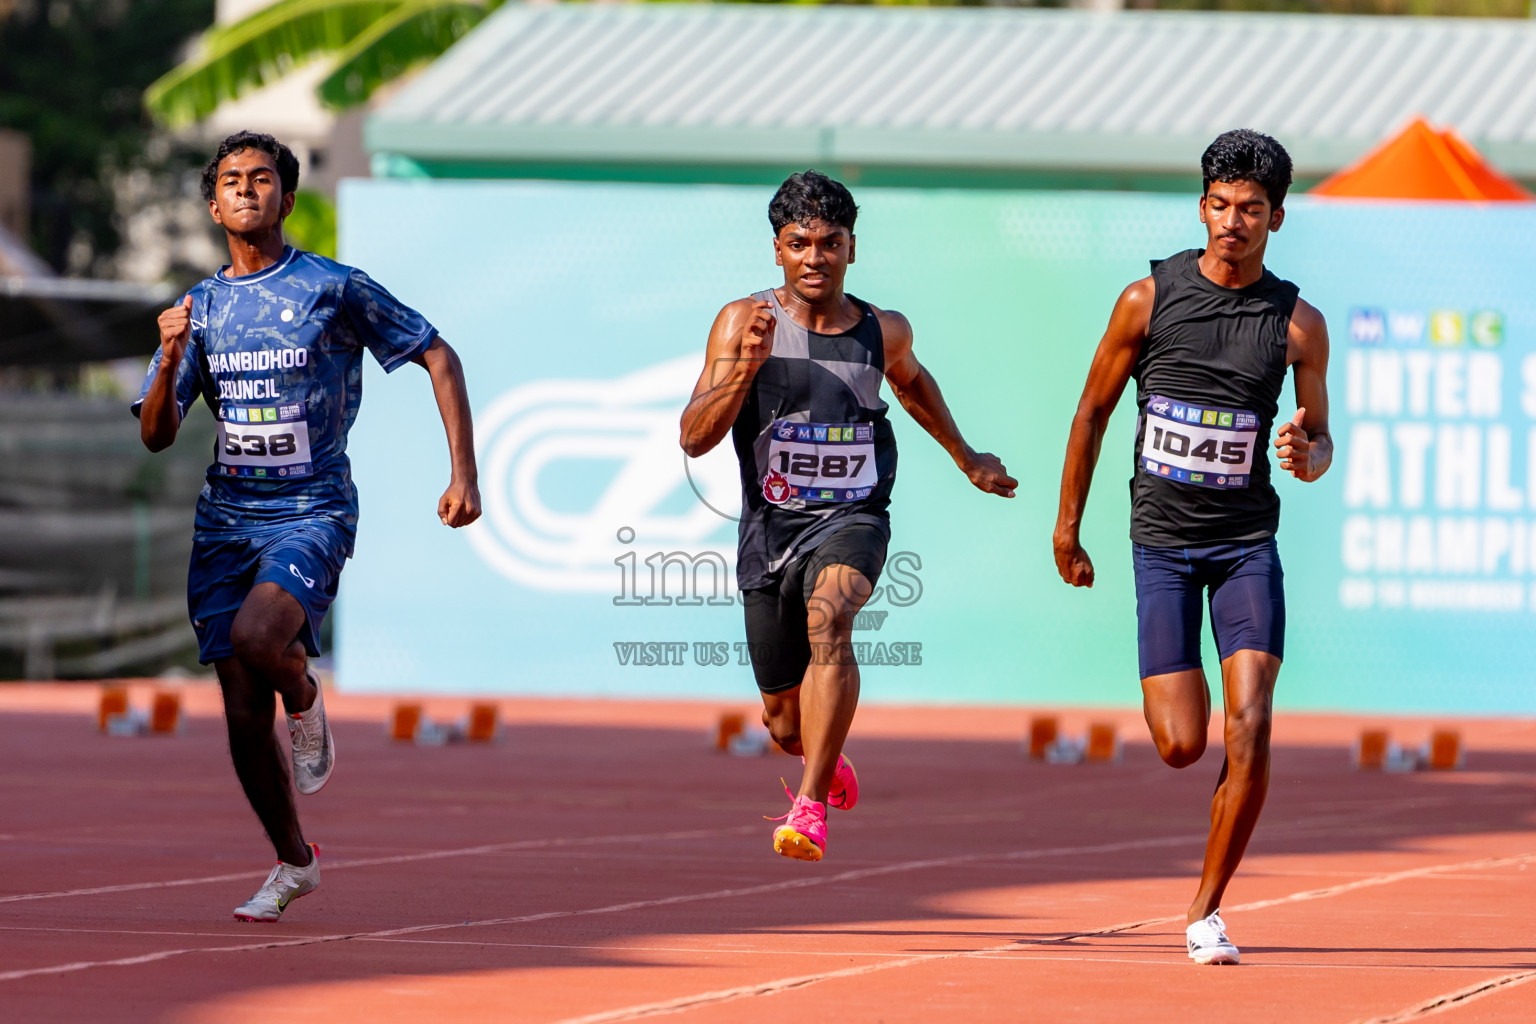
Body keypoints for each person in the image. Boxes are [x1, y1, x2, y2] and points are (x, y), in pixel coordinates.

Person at [134, 131, 480, 921]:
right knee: (241, 716)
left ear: (287, 200)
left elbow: (437, 353)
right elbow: (156, 433)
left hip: (311, 509)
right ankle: (294, 862)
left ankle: (306, 693)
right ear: (215, 203)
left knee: (264, 642)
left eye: (262, 179)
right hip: (226, 521)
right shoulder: (201, 308)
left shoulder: (334, 287)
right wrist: (168, 353)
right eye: (231, 180)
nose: (247, 190)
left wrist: (463, 473)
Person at [1053, 129, 1332, 964]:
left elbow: (1320, 442)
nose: (1232, 222)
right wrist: (1066, 527)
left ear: (1276, 218)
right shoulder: (1147, 299)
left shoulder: (1297, 324)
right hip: (1162, 547)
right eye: (1219, 205)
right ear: (1202, 206)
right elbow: (1093, 413)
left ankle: (1206, 911)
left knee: (1251, 722)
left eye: (1251, 209)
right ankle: (1199, 823)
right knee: (1182, 743)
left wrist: (1306, 454)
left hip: (1246, 545)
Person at [680, 170, 1015, 861]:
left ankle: (808, 809)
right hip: (769, 533)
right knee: (781, 719)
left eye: (829, 243)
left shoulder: (879, 330)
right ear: (778, 249)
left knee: (831, 616)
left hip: (855, 518)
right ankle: (823, 759)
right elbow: (693, 437)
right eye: (799, 243)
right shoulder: (744, 322)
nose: (814, 258)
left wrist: (965, 455)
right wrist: (743, 369)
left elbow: (914, 383)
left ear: (851, 249)